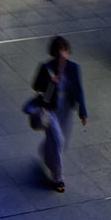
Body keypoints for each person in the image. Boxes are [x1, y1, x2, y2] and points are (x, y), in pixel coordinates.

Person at [31, 36, 87, 193]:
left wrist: (83, 111)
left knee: (59, 141)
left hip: (66, 109)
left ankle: (45, 150)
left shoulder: (73, 68)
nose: (62, 54)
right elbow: (35, 86)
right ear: (54, 53)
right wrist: (49, 82)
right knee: (58, 140)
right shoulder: (47, 67)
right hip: (50, 109)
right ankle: (58, 178)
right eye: (59, 51)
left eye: (64, 50)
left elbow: (78, 90)